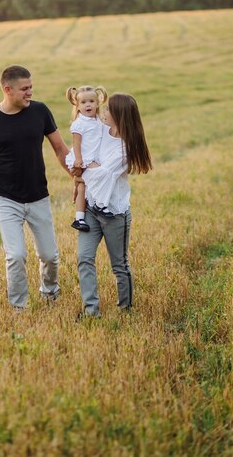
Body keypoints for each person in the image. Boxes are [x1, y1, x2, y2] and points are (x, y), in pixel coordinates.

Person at [0, 65, 70, 312]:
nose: (30, 93)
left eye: (31, 87)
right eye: (24, 89)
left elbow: (60, 148)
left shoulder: (40, 111)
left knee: (49, 255)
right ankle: (19, 309)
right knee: (15, 255)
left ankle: (50, 294)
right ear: (8, 89)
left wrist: (78, 178)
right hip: (5, 197)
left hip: (38, 194)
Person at [76, 93, 152, 318]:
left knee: (119, 265)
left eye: (108, 110)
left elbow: (102, 175)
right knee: (84, 258)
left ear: (119, 115)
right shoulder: (101, 130)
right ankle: (91, 311)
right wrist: (88, 168)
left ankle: (125, 310)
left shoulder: (126, 148)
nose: (103, 112)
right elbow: (87, 157)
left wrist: (86, 172)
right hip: (90, 207)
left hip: (114, 214)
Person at [65, 85, 107, 232]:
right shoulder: (79, 123)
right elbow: (76, 143)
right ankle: (101, 206)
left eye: (91, 101)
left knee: (82, 186)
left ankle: (79, 218)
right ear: (77, 106)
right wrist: (78, 159)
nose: (87, 105)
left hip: (93, 157)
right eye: (83, 102)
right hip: (83, 158)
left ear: (97, 103)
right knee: (101, 174)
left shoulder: (98, 120)